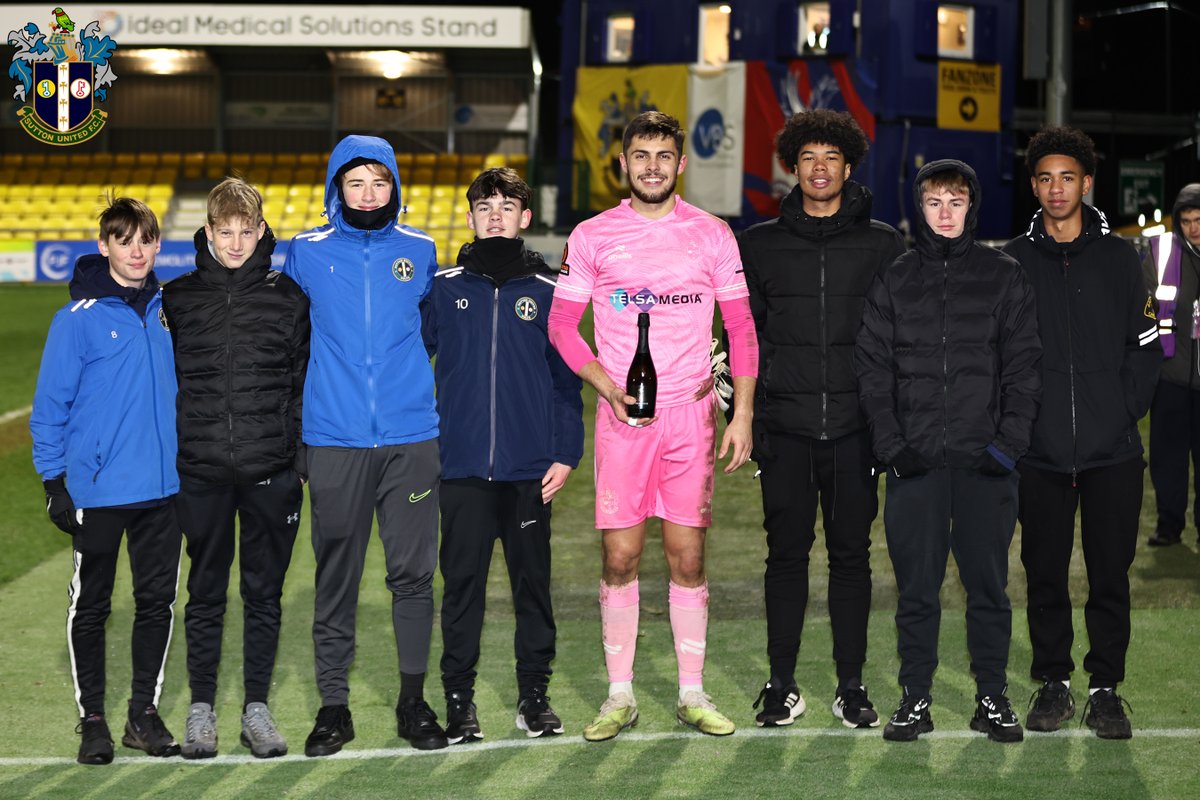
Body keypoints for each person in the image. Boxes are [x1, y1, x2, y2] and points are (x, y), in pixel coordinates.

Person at [547, 111, 758, 741]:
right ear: (623, 163)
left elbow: (742, 329)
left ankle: (692, 692)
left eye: (664, 156)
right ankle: (620, 696)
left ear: (681, 164)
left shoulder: (714, 234)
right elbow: (561, 326)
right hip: (623, 420)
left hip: (692, 420)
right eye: (641, 155)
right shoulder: (592, 235)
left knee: (687, 557)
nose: (652, 167)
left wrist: (741, 411)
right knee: (621, 556)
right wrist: (607, 386)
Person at [856, 160, 1041, 743]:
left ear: (971, 207)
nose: (944, 213)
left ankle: (991, 696)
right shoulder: (896, 277)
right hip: (916, 465)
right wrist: (891, 445)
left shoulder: (1003, 275)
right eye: (933, 201)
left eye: (955, 202)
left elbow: (1024, 368)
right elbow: (872, 368)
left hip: (986, 465)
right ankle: (916, 698)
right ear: (919, 207)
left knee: (988, 587)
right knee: (916, 589)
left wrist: (1007, 447)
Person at [737, 109, 905, 729]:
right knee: (785, 558)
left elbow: (900, 342)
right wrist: (745, 417)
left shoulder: (885, 243)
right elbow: (738, 338)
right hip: (784, 429)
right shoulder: (758, 243)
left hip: (857, 432)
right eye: (808, 158)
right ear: (793, 165)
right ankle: (781, 684)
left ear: (849, 166)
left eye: (831, 158)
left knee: (851, 558)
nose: (819, 168)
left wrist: (889, 425)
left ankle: (851, 686)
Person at [282, 135, 448, 755]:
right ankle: (333, 708)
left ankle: (412, 702)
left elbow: (433, 332)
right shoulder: (303, 253)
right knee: (337, 577)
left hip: (411, 441)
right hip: (333, 440)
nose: (369, 194)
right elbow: (248, 289)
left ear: (395, 187)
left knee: (412, 577)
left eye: (380, 182)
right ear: (336, 188)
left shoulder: (422, 252)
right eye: (356, 183)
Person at [1003, 126, 1161, 740]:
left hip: (1112, 452)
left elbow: (1146, 348)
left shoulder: (1123, 258)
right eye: (1045, 177)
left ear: (1087, 183)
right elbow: (1003, 356)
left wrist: (1121, 413)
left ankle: (1105, 688)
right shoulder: (1013, 260)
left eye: (1067, 176)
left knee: (1109, 573)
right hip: (1038, 453)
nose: (1056, 187)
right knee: (1043, 569)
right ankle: (1053, 680)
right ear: (1035, 186)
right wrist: (1021, 425)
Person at [422, 168, 584, 744]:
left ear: (524, 218)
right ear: (469, 217)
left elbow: (568, 381)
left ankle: (533, 698)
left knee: (532, 587)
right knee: (461, 588)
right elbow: (414, 372)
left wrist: (566, 452)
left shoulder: (550, 292)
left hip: (528, 472)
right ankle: (460, 701)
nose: (495, 213)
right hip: (461, 469)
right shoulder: (442, 287)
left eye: (507, 204)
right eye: (484, 205)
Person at [161, 178, 309, 759]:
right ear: (208, 231)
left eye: (248, 230)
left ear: (263, 230)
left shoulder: (289, 297)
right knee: (204, 591)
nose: (237, 241)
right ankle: (201, 708)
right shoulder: (176, 298)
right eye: (226, 231)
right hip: (200, 470)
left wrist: (296, 461)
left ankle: (256, 708)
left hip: (271, 470)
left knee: (264, 593)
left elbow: (302, 385)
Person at [30, 197, 182, 765]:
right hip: (97, 491)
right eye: (124, 241)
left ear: (156, 244)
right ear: (104, 247)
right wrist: (54, 481)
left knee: (156, 604)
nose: (136, 251)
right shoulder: (76, 320)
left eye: (145, 239)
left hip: (164, 491)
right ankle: (92, 717)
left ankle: (143, 714)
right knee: (90, 607)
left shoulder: (172, 310)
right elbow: (50, 407)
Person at [1142, 184, 1200, 546]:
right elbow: (1143, 307)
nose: (1194, 227)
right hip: (1170, 375)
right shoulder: (1161, 252)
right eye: (1187, 220)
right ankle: (1169, 527)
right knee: (1168, 460)